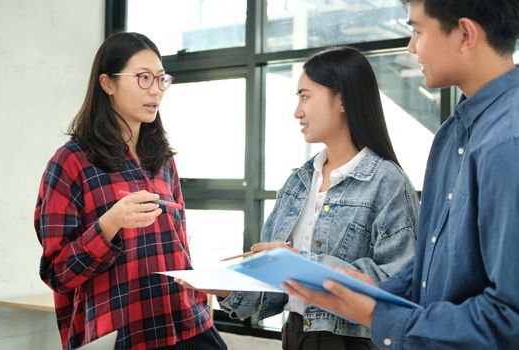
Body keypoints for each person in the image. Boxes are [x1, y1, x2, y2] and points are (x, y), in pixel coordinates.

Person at [283, 1, 519, 349]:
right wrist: (367, 289)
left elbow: (509, 320)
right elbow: (429, 265)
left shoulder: (508, 143)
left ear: (465, 34)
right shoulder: (451, 136)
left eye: (418, 31)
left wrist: (377, 315)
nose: (411, 47)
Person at [178, 46, 420, 350]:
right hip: (295, 337)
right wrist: (226, 288)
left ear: (342, 98)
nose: (297, 111)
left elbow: (401, 283)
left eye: (305, 96)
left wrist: (304, 264)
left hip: (356, 343)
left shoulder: (387, 182)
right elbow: (275, 294)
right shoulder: (299, 182)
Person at [34, 32, 227, 350]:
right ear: (107, 84)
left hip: (189, 326)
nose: (156, 90)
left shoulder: (162, 160)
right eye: (143, 78)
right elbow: (58, 274)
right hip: (124, 335)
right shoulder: (70, 163)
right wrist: (110, 223)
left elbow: (179, 252)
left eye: (161, 79)